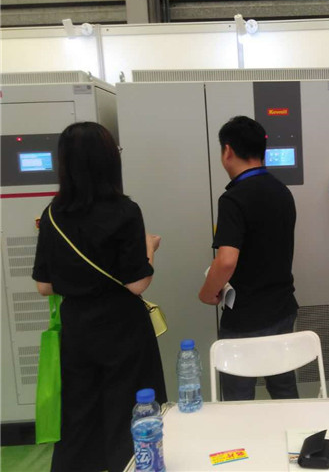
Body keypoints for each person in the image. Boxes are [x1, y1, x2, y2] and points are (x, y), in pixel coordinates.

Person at [32, 122, 166, 472]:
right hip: (122, 329)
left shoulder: (52, 215)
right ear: (109, 161)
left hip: (78, 331)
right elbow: (137, 284)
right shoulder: (125, 211)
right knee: (130, 419)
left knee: (79, 420)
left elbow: (44, 285)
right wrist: (150, 247)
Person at [199, 116, 299, 401]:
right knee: (283, 388)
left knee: (238, 397)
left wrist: (207, 292)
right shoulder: (282, 191)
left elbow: (226, 261)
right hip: (282, 308)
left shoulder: (233, 199)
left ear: (227, 151)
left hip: (246, 316)